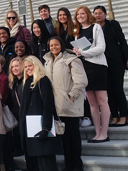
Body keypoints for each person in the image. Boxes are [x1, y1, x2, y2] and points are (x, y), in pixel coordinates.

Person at [44, 37, 88, 171]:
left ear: (61, 45)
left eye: (56, 44)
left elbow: (81, 80)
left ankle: (76, 166)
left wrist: (72, 95)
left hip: (69, 104)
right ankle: (69, 166)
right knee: (64, 139)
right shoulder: (47, 61)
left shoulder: (72, 59)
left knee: (73, 137)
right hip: (56, 106)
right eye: (51, 45)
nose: (53, 47)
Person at [74, 6, 110, 143]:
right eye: (77, 14)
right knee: (91, 102)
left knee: (101, 100)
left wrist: (83, 52)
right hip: (84, 68)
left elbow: (101, 48)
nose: (80, 16)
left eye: (82, 14)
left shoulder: (96, 27)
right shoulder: (77, 32)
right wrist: (77, 51)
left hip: (98, 66)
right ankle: (97, 132)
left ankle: (104, 133)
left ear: (88, 14)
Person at [94, 5, 128, 127]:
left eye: (100, 13)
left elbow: (122, 40)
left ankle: (123, 116)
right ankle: (114, 116)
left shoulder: (112, 24)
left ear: (105, 14)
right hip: (102, 62)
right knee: (109, 91)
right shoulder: (94, 28)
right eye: (95, 13)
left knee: (118, 88)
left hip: (116, 60)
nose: (98, 15)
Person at [19, 56, 61, 171]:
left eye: (30, 66)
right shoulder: (27, 81)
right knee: (35, 164)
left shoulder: (43, 81)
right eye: (25, 67)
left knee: (46, 164)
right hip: (30, 130)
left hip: (42, 128)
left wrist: (46, 128)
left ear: (36, 65)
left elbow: (48, 106)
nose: (27, 68)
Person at [7, 57, 24, 157]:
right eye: (12, 67)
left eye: (17, 66)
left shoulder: (26, 81)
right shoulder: (13, 82)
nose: (14, 68)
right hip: (17, 114)